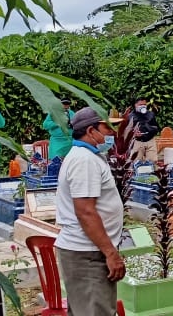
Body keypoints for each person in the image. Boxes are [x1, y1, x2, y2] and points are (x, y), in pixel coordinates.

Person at [55, 107, 125, 316]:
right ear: (91, 130)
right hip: (87, 254)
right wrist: (111, 253)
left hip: (90, 251)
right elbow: (85, 212)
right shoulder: (84, 160)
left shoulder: (89, 157)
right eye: (108, 128)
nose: (113, 133)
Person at [127, 98, 160, 162]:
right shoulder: (130, 116)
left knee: (153, 161)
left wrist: (149, 130)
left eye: (144, 104)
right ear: (135, 105)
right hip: (137, 142)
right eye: (140, 104)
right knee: (135, 161)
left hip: (150, 141)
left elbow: (156, 128)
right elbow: (127, 130)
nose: (143, 106)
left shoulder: (151, 114)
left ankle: (151, 172)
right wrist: (134, 134)